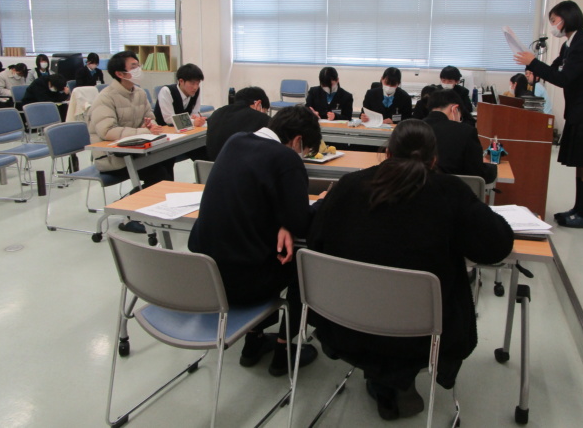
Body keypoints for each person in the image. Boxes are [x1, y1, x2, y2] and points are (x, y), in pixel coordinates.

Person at [308, 120, 513, 420]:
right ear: (434, 160)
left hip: (347, 326)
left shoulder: (348, 187)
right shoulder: (449, 193)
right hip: (425, 335)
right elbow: (497, 246)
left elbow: (316, 242)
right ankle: (396, 378)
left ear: (387, 153)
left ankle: (384, 379)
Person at [189, 105, 324, 377]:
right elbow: (302, 223)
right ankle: (284, 351)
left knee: (258, 248)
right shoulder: (287, 158)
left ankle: (254, 341)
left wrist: (285, 221)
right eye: (307, 151)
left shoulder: (236, 140)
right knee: (303, 264)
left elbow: (257, 200)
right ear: (298, 141)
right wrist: (319, 203)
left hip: (206, 275)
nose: (304, 156)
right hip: (243, 283)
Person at [515, 0, 583, 229]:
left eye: (553, 20)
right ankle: (578, 210)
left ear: (566, 18)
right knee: (582, 162)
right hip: (581, 110)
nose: (552, 26)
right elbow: (553, 70)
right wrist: (533, 66)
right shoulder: (570, 45)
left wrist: (534, 63)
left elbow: (563, 79)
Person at [87, 51, 174, 233]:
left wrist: (151, 124)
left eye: (138, 65)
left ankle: (150, 210)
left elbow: (151, 118)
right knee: (157, 172)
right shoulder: (105, 98)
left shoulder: (139, 93)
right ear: (119, 73)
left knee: (165, 163)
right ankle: (130, 217)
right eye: (133, 67)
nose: (139, 70)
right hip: (111, 156)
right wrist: (143, 130)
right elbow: (107, 131)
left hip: (138, 151)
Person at [423, 90, 497, 183]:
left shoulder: (412, 127)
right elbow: (478, 173)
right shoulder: (466, 131)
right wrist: (491, 167)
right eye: (460, 115)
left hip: (414, 192)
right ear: (455, 109)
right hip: (451, 191)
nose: (459, 119)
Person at [205, 86, 271, 161]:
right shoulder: (261, 118)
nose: (265, 114)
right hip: (242, 170)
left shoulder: (216, 113)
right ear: (258, 104)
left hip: (211, 168)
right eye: (265, 111)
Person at [153, 63, 206, 127]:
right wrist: (192, 121)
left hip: (186, 129)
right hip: (164, 129)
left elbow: (195, 113)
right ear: (181, 81)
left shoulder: (196, 91)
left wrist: (197, 119)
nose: (195, 87)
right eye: (192, 83)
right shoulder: (167, 91)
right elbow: (169, 119)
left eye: (198, 83)